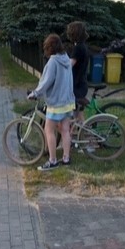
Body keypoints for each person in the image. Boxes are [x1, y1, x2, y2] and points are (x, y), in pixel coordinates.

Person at [27, 33, 76, 171]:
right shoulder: (66, 58)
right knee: (65, 131)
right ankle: (66, 158)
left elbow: (46, 82)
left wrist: (35, 93)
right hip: (67, 101)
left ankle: (53, 160)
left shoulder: (53, 62)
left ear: (49, 47)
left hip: (56, 103)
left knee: (49, 130)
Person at [67, 21, 90, 123]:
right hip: (80, 83)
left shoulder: (78, 48)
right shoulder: (82, 46)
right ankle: (81, 132)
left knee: (72, 109)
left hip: (77, 85)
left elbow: (69, 65)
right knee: (78, 114)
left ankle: (80, 131)